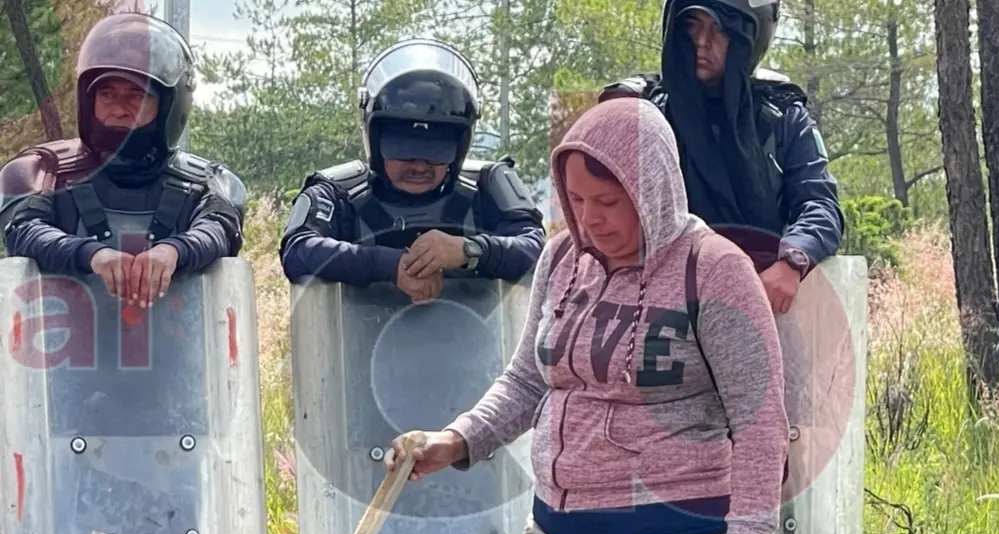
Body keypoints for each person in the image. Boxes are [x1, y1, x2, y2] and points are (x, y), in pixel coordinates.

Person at [383, 96, 789, 534]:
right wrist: (455, 439)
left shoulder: (712, 269)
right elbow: (524, 380)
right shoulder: (563, 260)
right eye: (576, 199)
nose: (591, 217)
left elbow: (760, 419)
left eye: (609, 200)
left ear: (653, 190)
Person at [599, 0, 844, 315]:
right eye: (692, 26)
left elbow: (820, 205)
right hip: (663, 302)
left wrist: (793, 260)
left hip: (762, 296)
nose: (703, 42)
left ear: (747, 38)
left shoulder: (782, 116)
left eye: (720, 29)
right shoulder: (647, 113)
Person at [0, 13, 246, 307]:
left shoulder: (209, 184)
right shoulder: (42, 173)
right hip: (63, 350)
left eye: (136, 96)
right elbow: (23, 229)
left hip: (176, 349)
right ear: (88, 99)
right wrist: (91, 254)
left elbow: (220, 228)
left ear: (170, 103)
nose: (118, 108)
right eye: (107, 94)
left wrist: (173, 251)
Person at [279, 38, 544, 299]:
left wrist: (469, 250)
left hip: (484, 341)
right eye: (402, 149)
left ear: (459, 147)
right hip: (360, 341)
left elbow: (538, 251)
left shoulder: (488, 185)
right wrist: (390, 265)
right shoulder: (337, 192)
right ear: (376, 140)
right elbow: (298, 250)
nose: (419, 166)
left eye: (436, 152)